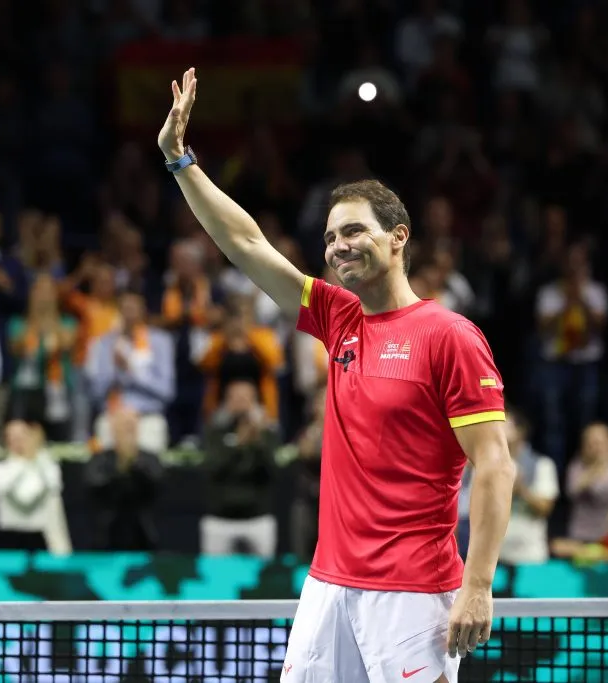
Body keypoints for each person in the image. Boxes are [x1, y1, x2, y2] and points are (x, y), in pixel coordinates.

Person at [158, 68, 515, 683]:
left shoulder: (449, 336)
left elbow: (496, 465)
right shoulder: (336, 317)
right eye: (330, 236)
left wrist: (478, 585)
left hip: (412, 593)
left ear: (398, 238)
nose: (339, 246)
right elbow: (245, 242)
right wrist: (180, 161)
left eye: (355, 231)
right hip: (327, 586)